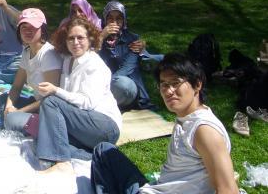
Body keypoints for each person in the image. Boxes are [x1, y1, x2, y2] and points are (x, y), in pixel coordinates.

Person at [91, 53, 239, 194]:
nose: (169, 91)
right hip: (158, 189)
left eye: (176, 83)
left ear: (197, 85)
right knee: (104, 151)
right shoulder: (187, 119)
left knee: (102, 155)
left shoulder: (204, 130)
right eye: (164, 85)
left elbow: (229, 190)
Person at [36, 18, 122, 175]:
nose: (75, 42)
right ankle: (94, 155)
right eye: (71, 38)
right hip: (84, 124)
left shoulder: (95, 65)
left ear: (90, 39)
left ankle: (62, 162)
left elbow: (86, 103)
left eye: (80, 38)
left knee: (51, 102)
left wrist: (55, 90)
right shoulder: (69, 61)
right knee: (48, 136)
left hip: (105, 127)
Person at [0, 8, 62, 134]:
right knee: (3, 100)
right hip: (36, 102)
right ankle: (16, 123)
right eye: (24, 27)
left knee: (12, 119)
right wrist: (9, 106)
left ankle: (33, 129)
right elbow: (16, 86)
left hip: (50, 110)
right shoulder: (27, 52)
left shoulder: (48, 55)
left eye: (33, 27)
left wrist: (18, 112)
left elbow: (50, 100)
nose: (28, 31)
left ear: (42, 30)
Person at [98, 0, 153, 111]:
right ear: (104, 19)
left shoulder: (132, 39)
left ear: (124, 20)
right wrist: (100, 38)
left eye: (118, 18)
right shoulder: (96, 38)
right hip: (100, 85)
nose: (114, 22)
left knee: (123, 84)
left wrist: (107, 85)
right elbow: (90, 62)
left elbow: (127, 68)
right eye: (110, 18)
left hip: (122, 86)